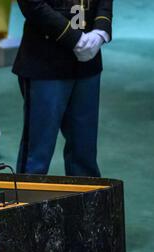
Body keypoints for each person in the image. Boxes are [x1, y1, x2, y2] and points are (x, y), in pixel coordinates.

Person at [12, 0, 113, 177]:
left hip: (88, 63)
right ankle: (28, 203)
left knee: (85, 152)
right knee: (37, 157)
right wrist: (74, 39)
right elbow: (32, 4)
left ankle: (87, 204)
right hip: (46, 62)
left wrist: (101, 30)